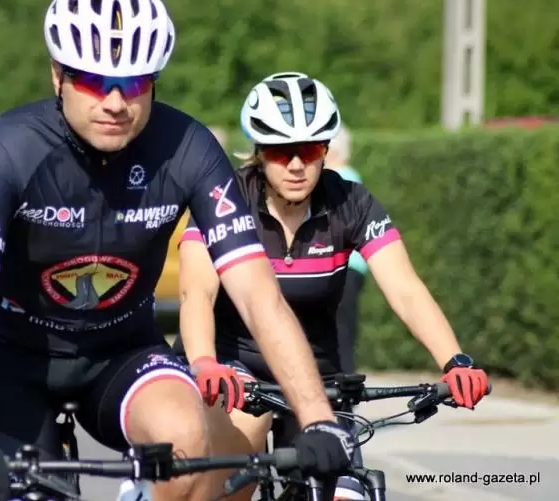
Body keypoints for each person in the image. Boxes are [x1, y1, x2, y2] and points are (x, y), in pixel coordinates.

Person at [0, 0, 354, 501]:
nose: (115, 101)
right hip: (16, 354)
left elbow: (256, 293)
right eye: (93, 80)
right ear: (58, 75)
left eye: (133, 83)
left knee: (188, 442)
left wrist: (318, 418)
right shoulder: (8, 148)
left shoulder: (188, 147)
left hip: (120, 349)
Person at [173, 71, 489, 501]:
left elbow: (405, 288)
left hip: (314, 375)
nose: (296, 165)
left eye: (309, 149)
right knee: (236, 474)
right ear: (259, 152)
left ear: (325, 149)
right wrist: (205, 362)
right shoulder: (226, 199)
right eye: (280, 151)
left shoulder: (351, 202)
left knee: (345, 491)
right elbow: (196, 294)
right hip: (232, 366)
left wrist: (455, 360)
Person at [323, 126, 366, 374]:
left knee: (337, 331)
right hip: (354, 266)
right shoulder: (352, 176)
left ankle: (342, 383)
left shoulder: (339, 178)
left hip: (341, 264)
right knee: (344, 328)